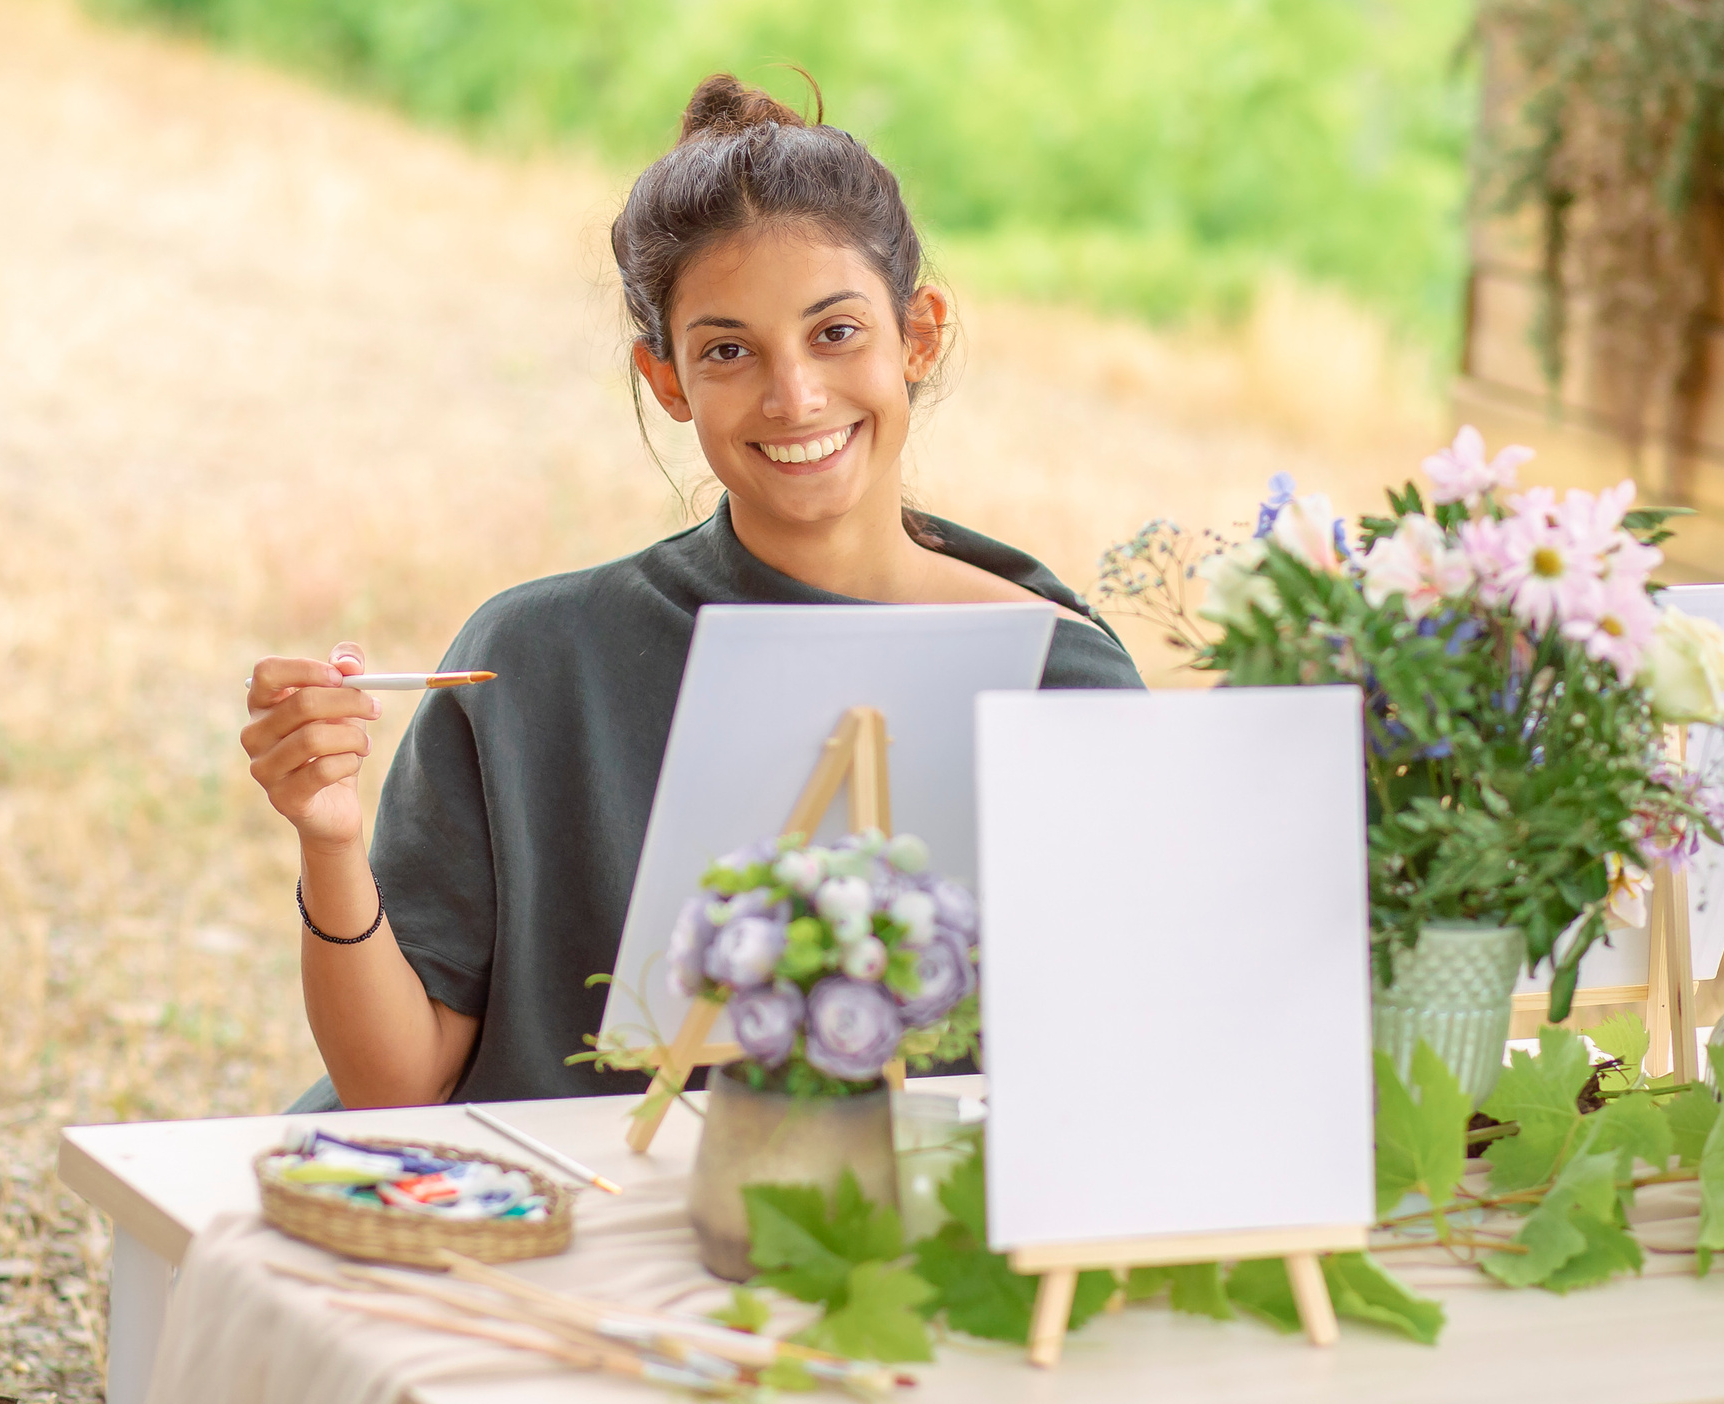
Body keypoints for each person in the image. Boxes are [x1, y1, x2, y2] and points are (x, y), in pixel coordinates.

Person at [241, 73, 1143, 1111]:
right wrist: (329, 836)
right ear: (666, 380)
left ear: (919, 335)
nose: (793, 393)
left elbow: (1121, 1066)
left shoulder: (1055, 678)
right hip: (530, 1226)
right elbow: (397, 1085)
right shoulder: (533, 658)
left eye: (836, 332)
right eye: (727, 351)